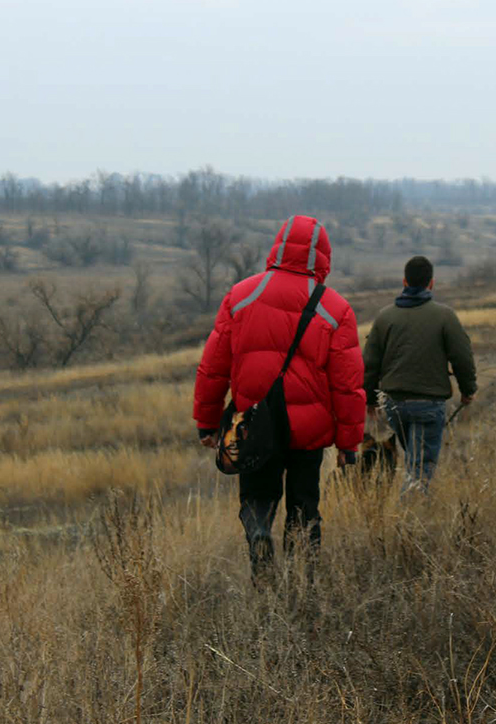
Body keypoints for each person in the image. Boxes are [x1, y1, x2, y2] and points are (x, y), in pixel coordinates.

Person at [193, 215, 365, 584]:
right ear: (323, 257)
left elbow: (213, 366)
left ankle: (259, 536)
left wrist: (207, 422)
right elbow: (348, 386)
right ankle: (302, 582)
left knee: (257, 496)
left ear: (278, 248)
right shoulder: (336, 309)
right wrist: (349, 443)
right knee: (304, 505)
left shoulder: (240, 296)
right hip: (308, 431)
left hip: (256, 424)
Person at [362, 255, 476, 489]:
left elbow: (370, 363)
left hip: (394, 404)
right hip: (428, 403)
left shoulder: (385, 317)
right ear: (431, 283)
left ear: (404, 282)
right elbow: (462, 357)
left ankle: (408, 505)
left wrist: (371, 399)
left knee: (414, 461)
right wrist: (468, 390)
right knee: (419, 472)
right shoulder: (445, 316)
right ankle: (409, 509)